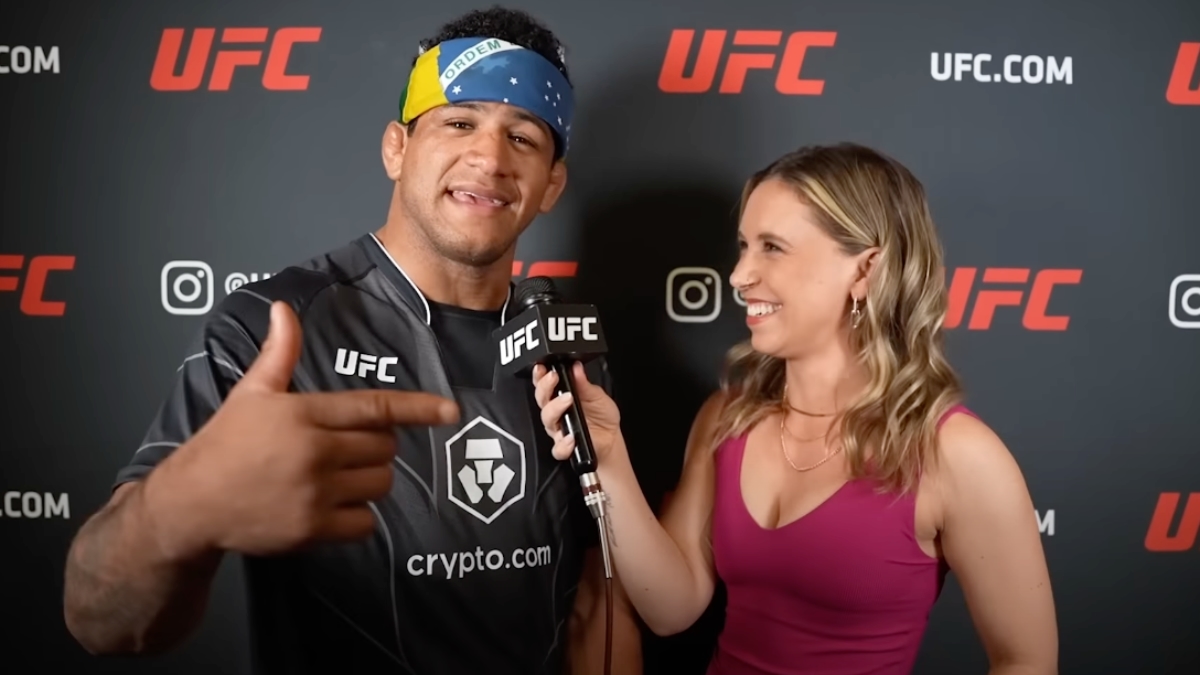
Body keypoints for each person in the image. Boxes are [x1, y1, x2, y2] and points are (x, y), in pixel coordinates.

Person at [62, 7, 641, 675]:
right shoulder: (274, 327)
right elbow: (98, 617)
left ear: (552, 184)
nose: (489, 158)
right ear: (397, 148)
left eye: (523, 137)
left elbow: (596, 603)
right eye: (459, 123)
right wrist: (177, 507)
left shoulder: (564, 344)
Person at [533, 143, 1058, 675]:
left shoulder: (956, 454)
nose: (739, 275)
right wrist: (609, 457)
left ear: (865, 271)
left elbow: (1027, 662)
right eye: (743, 247)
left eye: (772, 248)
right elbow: (671, 608)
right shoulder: (727, 417)